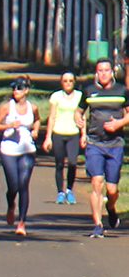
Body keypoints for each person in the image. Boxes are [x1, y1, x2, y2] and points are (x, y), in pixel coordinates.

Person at [75, 58, 129, 238]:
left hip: (115, 144)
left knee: (112, 190)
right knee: (96, 182)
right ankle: (97, 225)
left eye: (107, 70)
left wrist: (119, 123)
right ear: (96, 73)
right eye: (100, 70)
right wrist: (78, 120)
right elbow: (79, 110)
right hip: (95, 143)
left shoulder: (122, 91)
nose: (103, 73)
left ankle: (111, 207)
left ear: (112, 72)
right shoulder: (89, 91)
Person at [0, 76, 40, 236]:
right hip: (9, 150)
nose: (15, 91)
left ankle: (22, 223)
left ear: (26, 90)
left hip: (27, 150)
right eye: (13, 88)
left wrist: (35, 130)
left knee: (23, 184)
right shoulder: (7, 107)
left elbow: (38, 120)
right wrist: (9, 125)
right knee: (13, 186)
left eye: (19, 88)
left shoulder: (32, 108)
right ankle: (11, 203)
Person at [43, 72, 82, 204]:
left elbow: (83, 118)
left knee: (72, 163)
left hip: (73, 133)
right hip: (58, 132)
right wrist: (48, 137)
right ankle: (60, 191)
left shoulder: (79, 96)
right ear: (61, 82)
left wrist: (84, 135)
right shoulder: (56, 96)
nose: (68, 83)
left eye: (71, 80)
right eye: (65, 81)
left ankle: (69, 190)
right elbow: (52, 117)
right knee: (59, 164)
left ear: (74, 82)